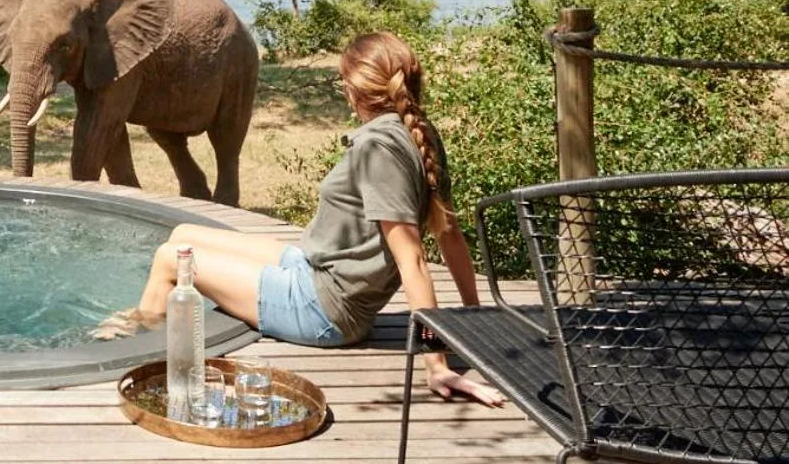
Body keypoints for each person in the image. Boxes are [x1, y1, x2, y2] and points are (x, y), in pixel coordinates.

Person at [99, 30, 504, 406]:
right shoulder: (416, 132)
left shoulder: (379, 148)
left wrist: (436, 363)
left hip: (323, 310)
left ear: (351, 89)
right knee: (185, 232)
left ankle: (136, 350)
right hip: (315, 269)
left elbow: (412, 260)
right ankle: (150, 318)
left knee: (171, 260)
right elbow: (451, 236)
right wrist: (473, 316)